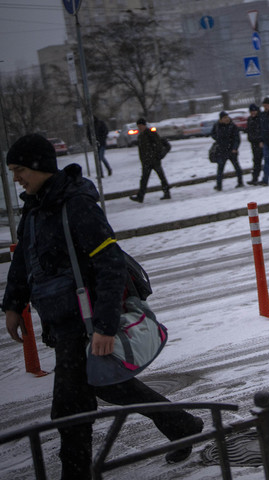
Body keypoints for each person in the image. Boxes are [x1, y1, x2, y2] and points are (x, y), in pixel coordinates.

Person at [2, 134, 203, 479]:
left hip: (86, 322)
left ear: (39, 167)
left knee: (69, 410)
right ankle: (181, 424)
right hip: (63, 323)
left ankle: (76, 474)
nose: (16, 178)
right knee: (109, 385)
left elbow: (110, 264)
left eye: (20, 170)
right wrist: (12, 304)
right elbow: (24, 261)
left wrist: (105, 327)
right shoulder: (34, 210)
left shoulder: (76, 205)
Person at [130, 118, 171, 202]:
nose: (139, 127)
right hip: (146, 161)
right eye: (138, 126)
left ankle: (167, 193)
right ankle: (140, 196)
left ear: (144, 125)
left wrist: (156, 156)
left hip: (154, 160)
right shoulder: (141, 136)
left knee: (161, 177)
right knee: (144, 179)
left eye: (141, 125)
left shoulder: (150, 133)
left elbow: (158, 145)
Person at [210, 110, 244, 191]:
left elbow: (237, 139)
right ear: (220, 119)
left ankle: (240, 182)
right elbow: (213, 134)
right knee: (220, 169)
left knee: (237, 167)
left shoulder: (232, 126)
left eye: (227, 117)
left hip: (231, 150)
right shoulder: (217, 125)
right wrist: (218, 139)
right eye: (224, 118)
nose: (226, 119)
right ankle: (219, 185)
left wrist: (235, 148)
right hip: (222, 150)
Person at [246, 103, 269, 185]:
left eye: (254, 111)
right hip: (254, 143)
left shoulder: (261, 118)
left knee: (267, 159)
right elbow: (249, 131)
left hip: (261, 143)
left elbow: (263, 130)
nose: (253, 112)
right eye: (251, 111)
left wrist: (262, 140)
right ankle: (255, 178)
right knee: (256, 161)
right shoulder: (250, 119)